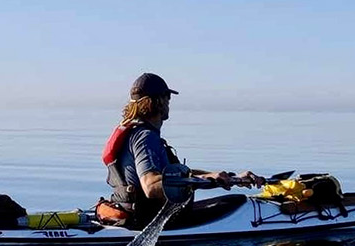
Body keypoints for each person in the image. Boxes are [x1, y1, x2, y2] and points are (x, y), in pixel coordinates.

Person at [98, 73, 264, 229]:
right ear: (158, 101)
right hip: (147, 219)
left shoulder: (133, 131)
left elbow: (173, 176)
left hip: (128, 211)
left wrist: (224, 177)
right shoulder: (145, 137)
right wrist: (202, 179)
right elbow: (151, 186)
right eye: (167, 97)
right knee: (236, 201)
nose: (169, 102)